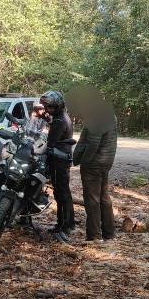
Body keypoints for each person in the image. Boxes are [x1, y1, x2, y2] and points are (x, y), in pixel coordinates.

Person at [73, 99, 118, 241]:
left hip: (94, 164)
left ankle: (94, 235)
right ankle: (109, 233)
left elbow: (92, 144)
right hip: (105, 162)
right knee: (103, 197)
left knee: (92, 200)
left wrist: (84, 162)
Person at [40, 90, 75, 235]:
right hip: (62, 158)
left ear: (59, 106)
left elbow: (50, 143)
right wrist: (46, 119)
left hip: (59, 160)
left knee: (62, 193)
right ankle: (66, 223)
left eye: (51, 107)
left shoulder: (60, 120)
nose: (48, 110)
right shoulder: (61, 117)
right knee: (63, 192)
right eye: (47, 107)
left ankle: (65, 225)